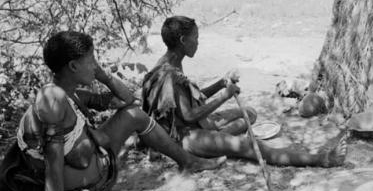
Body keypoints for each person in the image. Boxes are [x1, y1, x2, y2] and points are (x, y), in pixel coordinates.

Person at [0, 31, 225, 191]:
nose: (96, 66)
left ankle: (188, 161)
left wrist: (104, 76)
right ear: (73, 67)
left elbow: (127, 100)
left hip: (95, 173)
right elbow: (53, 173)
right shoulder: (53, 101)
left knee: (133, 114)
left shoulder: (72, 92)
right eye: (91, 60)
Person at [141, 16, 347, 168]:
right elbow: (188, 115)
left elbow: (186, 101)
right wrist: (225, 95)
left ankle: (220, 142)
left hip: (192, 129)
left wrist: (221, 83)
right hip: (188, 138)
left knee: (249, 114)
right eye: (195, 37)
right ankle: (321, 159)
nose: (198, 42)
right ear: (184, 40)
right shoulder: (171, 75)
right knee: (250, 145)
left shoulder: (168, 65)